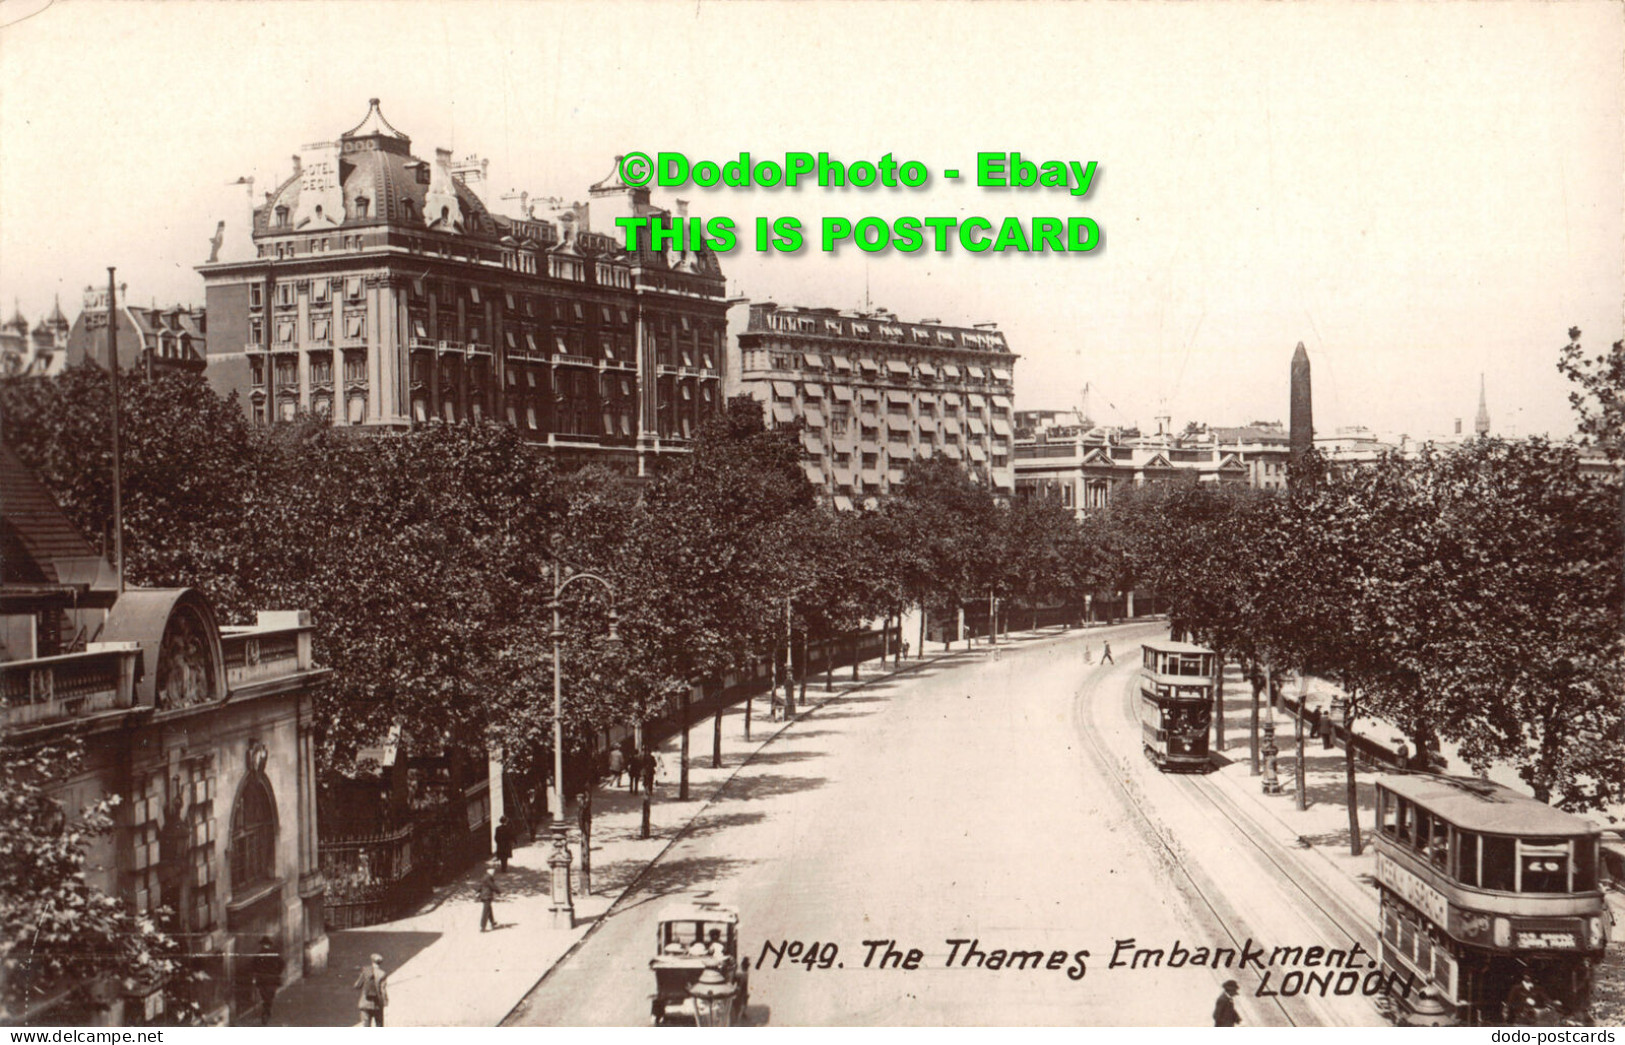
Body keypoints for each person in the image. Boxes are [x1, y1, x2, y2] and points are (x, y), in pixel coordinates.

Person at [252, 936, 281, 1025]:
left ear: (262, 945)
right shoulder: (274, 954)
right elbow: (282, 964)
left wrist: (256, 976)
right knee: (270, 995)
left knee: (264, 995)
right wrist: (277, 972)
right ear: (269, 945)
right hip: (272, 978)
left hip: (262, 979)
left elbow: (254, 967)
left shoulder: (258, 955)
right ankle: (267, 1011)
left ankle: (266, 1011)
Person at [354, 954, 388, 1027]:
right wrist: (385, 1002)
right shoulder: (382, 973)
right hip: (377, 1004)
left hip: (365, 1003)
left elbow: (357, 985)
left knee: (366, 1026)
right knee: (379, 1025)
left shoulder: (366, 971)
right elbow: (383, 990)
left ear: (371, 961)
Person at [478, 867, 499, 932]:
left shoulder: (485, 877)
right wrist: (498, 891)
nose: (494, 872)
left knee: (489, 909)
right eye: (493, 871)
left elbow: (480, 886)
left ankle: (492, 922)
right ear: (489, 871)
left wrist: (478, 892)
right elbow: (492, 886)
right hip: (487, 896)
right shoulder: (488, 878)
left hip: (484, 895)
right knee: (486, 911)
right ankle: (482, 927)